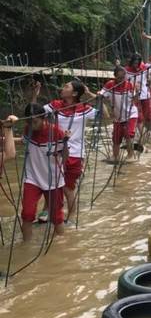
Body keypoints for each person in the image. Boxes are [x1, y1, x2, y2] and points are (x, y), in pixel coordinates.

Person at [41, 80, 98, 222]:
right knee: (50, 182)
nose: (62, 87)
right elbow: (36, 112)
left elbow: (105, 113)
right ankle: (46, 210)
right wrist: (35, 94)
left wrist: (89, 93)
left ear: (74, 93)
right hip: (57, 151)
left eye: (66, 86)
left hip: (75, 154)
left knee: (68, 187)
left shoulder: (84, 108)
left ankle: (71, 216)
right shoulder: (55, 105)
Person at [21, 103, 67, 241]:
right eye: (29, 121)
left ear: (43, 119)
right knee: (27, 213)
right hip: (32, 177)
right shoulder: (27, 129)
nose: (31, 125)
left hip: (53, 179)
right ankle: (26, 246)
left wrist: (65, 143)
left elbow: (65, 158)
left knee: (56, 216)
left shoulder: (57, 132)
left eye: (34, 122)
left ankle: (61, 244)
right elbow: (23, 142)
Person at [100, 66, 138, 162]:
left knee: (128, 135)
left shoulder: (129, 85)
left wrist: (137, 93)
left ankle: (130, 156)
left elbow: (135, 99)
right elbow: (101, 95)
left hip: (130, 114)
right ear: (115, 76)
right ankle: (115, 156)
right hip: (118, 117)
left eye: (123, 77)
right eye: (119, 77)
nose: (122, 80)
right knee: (116, 138)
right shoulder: (110, 85)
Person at [124, 53, 151, 133]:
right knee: (139, 116)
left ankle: (147, 132)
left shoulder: (145, 68)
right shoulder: (126, 70)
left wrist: (149, 81)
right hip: (133, 96)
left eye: (137, 63)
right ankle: (140, 135)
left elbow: (149, 77)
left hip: (144, 94)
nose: (136, 65)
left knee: (148, 116)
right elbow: (124, 82)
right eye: (134, 63)